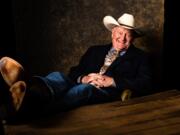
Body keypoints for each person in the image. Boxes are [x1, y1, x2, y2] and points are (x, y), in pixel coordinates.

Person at [0, 13, 152, 121]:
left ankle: (26, 101)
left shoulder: (140, 57)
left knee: (82, 90)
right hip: (85, 82)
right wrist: (84, 78)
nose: (122, 37)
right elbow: (74, 72)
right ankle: (30, 86)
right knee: (58, 76)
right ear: (113, 33)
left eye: (127, 34)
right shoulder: (94, 50)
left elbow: (146, 84)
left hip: (106, 93)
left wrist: (111, 81)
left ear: (133, 38)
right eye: (119, 32)